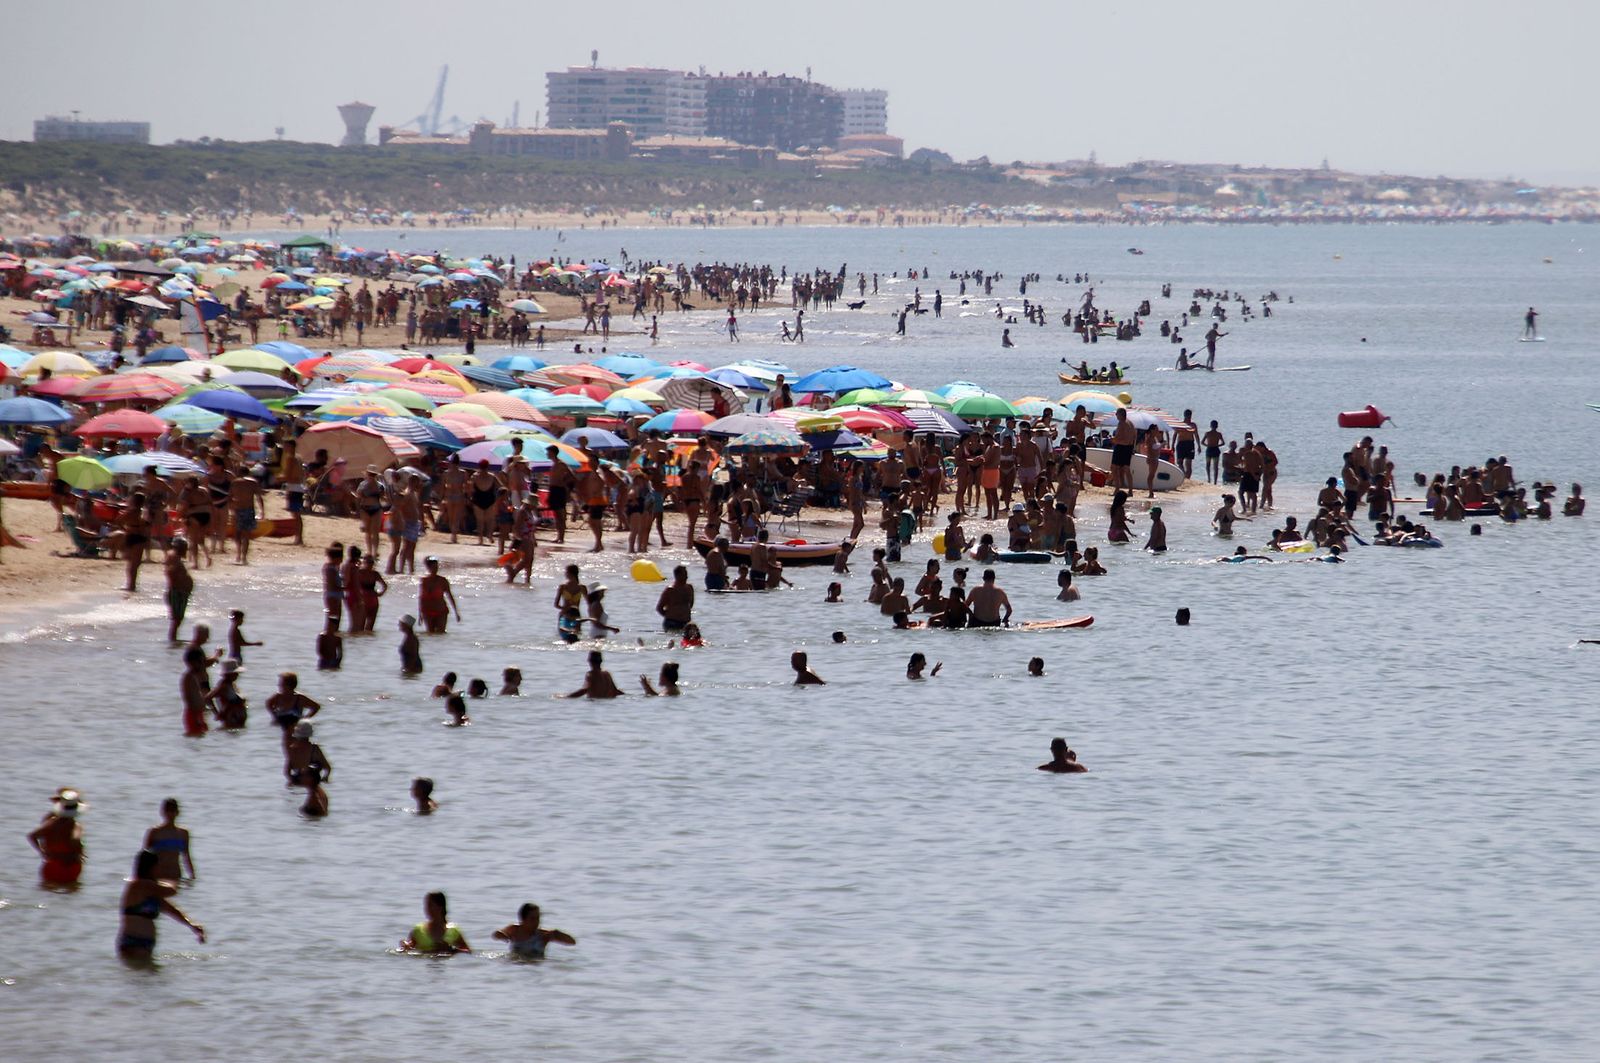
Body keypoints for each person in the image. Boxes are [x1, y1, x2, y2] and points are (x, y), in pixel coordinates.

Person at [118, 849, 205, 960]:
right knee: (143, 974)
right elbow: (171, 891)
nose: (160, 870)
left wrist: (192, 926)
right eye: (158, 866)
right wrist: (173, 879)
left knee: (147, 975)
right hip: (133, 942)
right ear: (150, 867)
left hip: (146, 945)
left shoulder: (152, 893)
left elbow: (172, 910)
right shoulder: (138, 885)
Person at [28, 788, 87, 886]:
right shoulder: (75, 825)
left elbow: (32, 836)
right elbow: (75, 839)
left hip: (52, 863)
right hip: (70, 865)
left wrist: (42, 852)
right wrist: (79, 851)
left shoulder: (50, 822)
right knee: (70, 890)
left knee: (48, 889)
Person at [493, 903, 576, 960]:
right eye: (532, 919)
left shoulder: (543, 935)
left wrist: (558, 934)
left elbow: (572, 942)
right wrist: (502, 936)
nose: (536, 922)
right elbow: (496, 934)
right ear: (522, 919)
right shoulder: (514, 930)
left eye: (538, 918)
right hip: (518, 966)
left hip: (537, 964)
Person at [401, 891, 471, 954]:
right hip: (425, 965)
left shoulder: (453, 931)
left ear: (440, 907)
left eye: (430, 905)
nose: (426, 909)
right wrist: (406, 947)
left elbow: (468, 951)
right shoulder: (418, 930)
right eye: (426, 906)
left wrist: (452, 949)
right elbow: (408, 950)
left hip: (447, 966)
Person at [143, 798, 195, 880]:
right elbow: (144, 857)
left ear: (177, 812)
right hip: (158, 877)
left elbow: (186, 857)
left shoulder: (183, 833)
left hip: (175, 876)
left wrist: (192, 876)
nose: (170, 814)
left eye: (173, 810)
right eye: (167, 810)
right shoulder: (154, 832)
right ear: (162, 812)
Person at [418, 556, 460, 633]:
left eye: (436, 566)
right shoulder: (424, 581)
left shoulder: (443, 581)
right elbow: (421, 598)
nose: (435, 569)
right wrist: (420, 614)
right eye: (433, 567)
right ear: (428, 567)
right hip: (427, 611)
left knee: (441, 633)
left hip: (441, 611)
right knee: (430, 633)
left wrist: (456, 612)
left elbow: (450, 596)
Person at [164, 542, 193, 643]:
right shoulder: (173, 557)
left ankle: (173, 640)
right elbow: (170, 573)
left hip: (180, 593)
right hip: (177, 593)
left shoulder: (175, 558)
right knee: (176, 620)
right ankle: (172, 640)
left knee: (178, 619)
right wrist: (179, 588)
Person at [180, 647, 211, 737]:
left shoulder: (200, 674)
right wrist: (196, 715)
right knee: (195, 735)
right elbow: (187, 698)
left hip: (199, 712)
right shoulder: (188, 677)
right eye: (200, 662)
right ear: (191, 663)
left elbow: (206, 694)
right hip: (192, 712)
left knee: (203, 735)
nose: (202, 665)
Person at [656, 565, 695, 633]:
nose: (686, 577)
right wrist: (671, 616)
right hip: (672, 623)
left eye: (686, 574)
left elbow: (690, 605)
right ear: (677, 575)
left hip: (686, 623)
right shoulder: (670, 590)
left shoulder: (689, 588)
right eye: (684, 574)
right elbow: (659, 608)